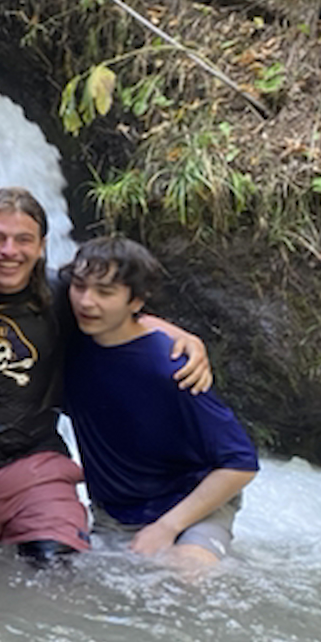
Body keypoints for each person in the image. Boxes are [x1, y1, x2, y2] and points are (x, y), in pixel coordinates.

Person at [0, 187, 211, 565]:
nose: (9, 251)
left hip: (37, 476)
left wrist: (184, 337)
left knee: (53, 572)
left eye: (23, 239)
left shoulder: (63, 294)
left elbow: (122, 321)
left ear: (42, 245)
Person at [62, 236, 258, 570]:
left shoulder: (171, 366)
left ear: (136, 300)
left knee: (183, 580)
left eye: (105, 293)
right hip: (114, 513)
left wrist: (167, 527)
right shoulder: (68, 341)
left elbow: (240, 464)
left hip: (191, 508)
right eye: (79, 287)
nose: (86, 301)